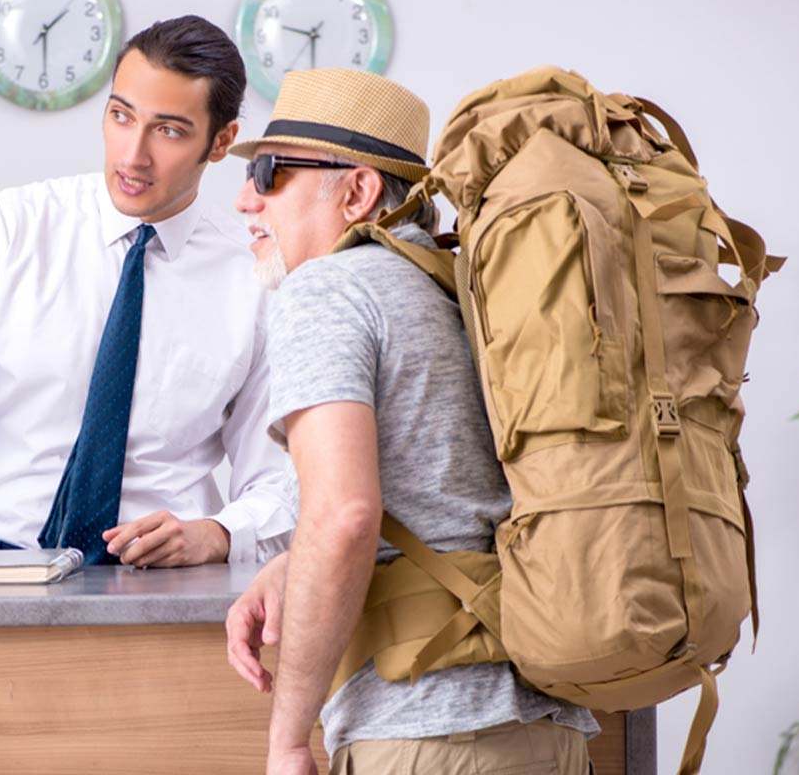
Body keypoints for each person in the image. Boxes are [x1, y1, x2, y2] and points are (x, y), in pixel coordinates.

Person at [0, 16, 294, 566]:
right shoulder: (13, 227)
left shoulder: (254, 276)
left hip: (161, 578)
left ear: (222, 141)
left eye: (169, 130)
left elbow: (282, 484)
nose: (133, 155)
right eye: (120, 116)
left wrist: (219, 534)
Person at [223, 68, 598, 774]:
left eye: (270, 173)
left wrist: (286, 739)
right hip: (548, 728)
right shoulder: (466, 294)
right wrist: (290, 566)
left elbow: (346, 519)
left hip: (423, 733)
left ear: (358, 192)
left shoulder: (327, 290)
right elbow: (443, 493)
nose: (246, 197)